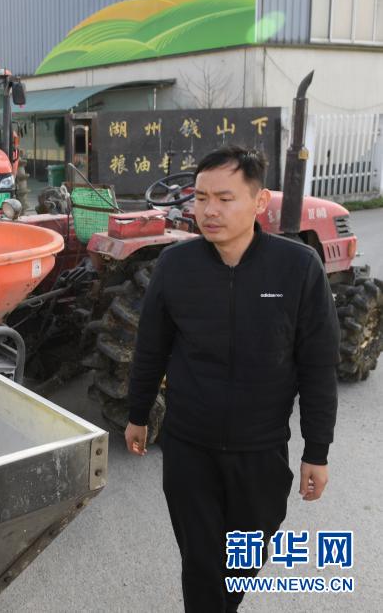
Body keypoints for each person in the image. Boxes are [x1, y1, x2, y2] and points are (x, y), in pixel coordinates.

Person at [124, 146, 339, 612]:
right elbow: (151, 349)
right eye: (201, 198)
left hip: (261, 451)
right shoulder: (176, 266)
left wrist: (316, 451)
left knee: (243, 559)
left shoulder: (298, 267)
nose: (209, 211)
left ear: (259, 201)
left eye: (224, 198)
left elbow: (319, 366)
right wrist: (137, 414)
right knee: (202, 564)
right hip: (189, 448)